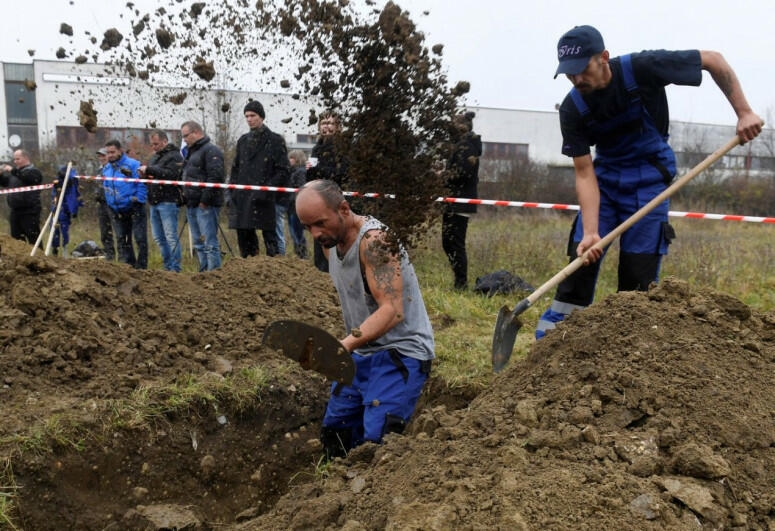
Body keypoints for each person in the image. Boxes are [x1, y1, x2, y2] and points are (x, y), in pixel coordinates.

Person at [535, 25, 763, 339]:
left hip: (649, 183)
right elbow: (584, 172)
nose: (576, 80)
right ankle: (552, 345)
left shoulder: (642, 68)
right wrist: (590, 232)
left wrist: (744, 112)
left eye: (582, 70)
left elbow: (713, 60)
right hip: (605, 184)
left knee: (637, 278)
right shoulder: (573, 107)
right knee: (580, 263)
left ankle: (626, 350)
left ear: (603, 57)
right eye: (569, 74)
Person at [295, 179, 434, 460]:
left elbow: (392, 310)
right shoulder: (329, 243)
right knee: (336, 433)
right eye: (307, 227)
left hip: (401, 353)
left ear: (344, 209)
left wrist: (342, 346)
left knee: (377, 443)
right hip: (363, 352)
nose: (315, 234)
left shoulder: (375, 242)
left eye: (320, 223)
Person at [228, 100, 290, 258]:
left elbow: (283, 170)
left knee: (271, 238)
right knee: (245, 237)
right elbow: (235, 168)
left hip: (266, 197)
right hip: (243, 195)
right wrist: (232, 190)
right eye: (246, 116)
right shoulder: (242, 140)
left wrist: (267, 190)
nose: (249, 119)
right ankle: (249, 267)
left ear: (261, 116)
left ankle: (275, 268)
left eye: (253, 115)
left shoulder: (275, 140)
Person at [442, 111, 481, 290]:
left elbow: (464, 173)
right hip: (453, 201)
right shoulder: (460, 145)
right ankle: (459, 281)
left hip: (461, 201)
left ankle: (461, 284)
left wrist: (443, 176)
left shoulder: (468, 146)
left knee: (455, 243)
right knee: (447, 242)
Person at [306, 110, 349, 272]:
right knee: (320, 237)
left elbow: (343, 173)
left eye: (331, 123)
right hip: (319, 200)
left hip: (339, 200)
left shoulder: (344, 147)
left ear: (338, 126)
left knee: (339, 238)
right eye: (324, 123)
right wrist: (310, 170)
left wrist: (319, 169)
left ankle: (342, 271)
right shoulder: (317, 148)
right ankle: (322, 272)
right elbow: (311, 175)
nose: (327, 127)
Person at [180, 120, 225, 271]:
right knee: (198, 243)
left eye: (186, 135)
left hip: (205, 204)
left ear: (197, 132)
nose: (184, 139)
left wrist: (205, 200)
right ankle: (204, 271)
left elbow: (216, 176)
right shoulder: (191, 152)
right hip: (192, 203)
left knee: (209, 243)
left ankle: (214, 273)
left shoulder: (211, 150)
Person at [139, 130, 184, 272]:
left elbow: (171, 175)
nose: (154, 147)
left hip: (168, 200)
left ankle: (175, 268)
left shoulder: (175, 156)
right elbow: (153, 177)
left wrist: (150, 169)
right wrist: (144, 176)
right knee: (159, 237)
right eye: (152, 144)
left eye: (156, 144)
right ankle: (167, 266)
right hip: (154, 201)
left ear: (165, 141)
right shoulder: (154, 158)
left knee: (170, 236)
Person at [102, 139, 148, 269]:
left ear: (120, 150)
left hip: (134, 206)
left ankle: (142, 267)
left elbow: (142, 182)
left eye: (112, 152)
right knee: (122, 239)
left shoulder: (133, 164)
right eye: (108, 152)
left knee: (140, 238)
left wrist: (139, 199)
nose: (110, 155)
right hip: (116, 209)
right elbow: (105, 185)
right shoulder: (106, 168)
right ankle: (129, 266)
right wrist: (109, 202)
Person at [0, 149, 43, 244]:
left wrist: (12, 170)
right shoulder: (15, 174)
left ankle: (37, 257)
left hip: (29, 211)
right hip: (15, 211)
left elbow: (28, 178)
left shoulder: (33, 171)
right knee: (16, 240)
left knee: (33, 237)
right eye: (14, 159)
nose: (15, 162)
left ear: (26, 158)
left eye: (17, 159)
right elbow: (5, 183)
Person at [49, 165, 82, 255]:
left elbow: (75, 195)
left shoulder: (73, 180)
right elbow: (54, 195)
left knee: (64, 229)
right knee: (53, 228)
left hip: (66, 209)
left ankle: (64, 248)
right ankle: (54, 248)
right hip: (56, 207)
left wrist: (74, 210)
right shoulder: (57, 182)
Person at [286, 149, 309, 258]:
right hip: (291, 206)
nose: (289, 160)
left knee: (297, 232)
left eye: (291, 158)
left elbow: (301, 187)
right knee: (293, 231)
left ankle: (302, 254)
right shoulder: (292, 171)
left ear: (297, 159)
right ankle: (299, 253)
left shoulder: (300, 172)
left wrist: (293, 199)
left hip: (296, 206)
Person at [95, 148, 116, 260]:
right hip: (101, 203)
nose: (101, 158)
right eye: (99, 156)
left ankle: (123, 256)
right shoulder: (99, 170)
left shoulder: (113, 169)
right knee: (104, 231)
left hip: (112, 202)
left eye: (103, 155)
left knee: (118, 230)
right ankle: (109, 255)